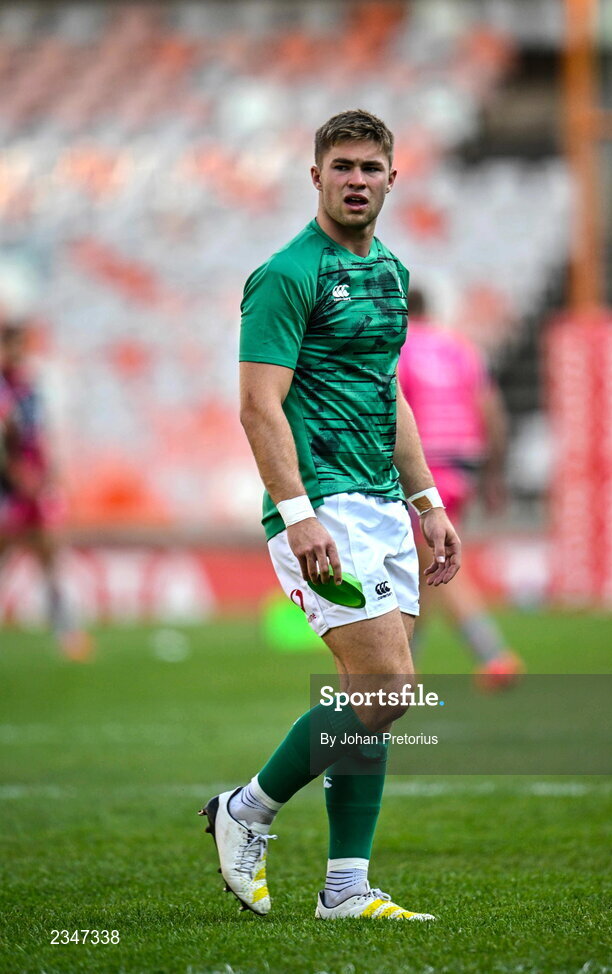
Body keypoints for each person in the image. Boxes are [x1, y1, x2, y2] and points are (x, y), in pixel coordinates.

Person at [200, 110, 461, 921]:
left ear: (392, 177)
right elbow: (256, 405)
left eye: (369, 167)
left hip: (383, 505)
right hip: (324, 510)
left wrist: (425, 499)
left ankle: (346, 887)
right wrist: (297, 512)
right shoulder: (286, 274)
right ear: (314, 176)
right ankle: (246, 808)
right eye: (340, 166)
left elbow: (388, 396)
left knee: (367, 698)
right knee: (388, 686)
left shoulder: (389, 272)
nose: (356, 179)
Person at [398, 288, 524, 690]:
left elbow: (392, 409)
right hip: (463, 466)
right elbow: (492, 411)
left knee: (437, 566)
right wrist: (494, 475)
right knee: (423, 572)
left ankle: (494, 656)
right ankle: (402, 671)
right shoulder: (460, 348)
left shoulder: (396, 348)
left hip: (421, 468)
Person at [0, 320, 93, 661]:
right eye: (14, 346)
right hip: (9, 487)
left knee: (50, 555)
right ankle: (66, 631)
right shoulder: (5, 389)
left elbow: (38, 435)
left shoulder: (29, 387)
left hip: (33, 483)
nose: (20, 353)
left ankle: (66, 632)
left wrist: (49, 472)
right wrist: (15, 473)